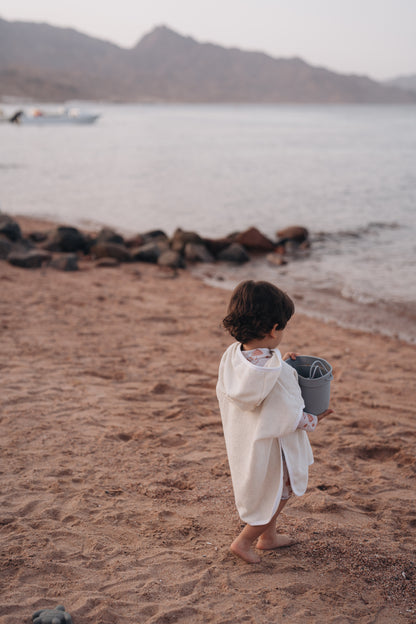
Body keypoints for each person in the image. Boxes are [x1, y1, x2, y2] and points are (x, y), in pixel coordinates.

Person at [216, 280, 333, 563]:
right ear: (272, 330)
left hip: (248, 437)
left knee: (269, 487)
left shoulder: (234, 356)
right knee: (280, 491)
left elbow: (264, 371)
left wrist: (282, 364)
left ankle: (269, 537)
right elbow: (289, 414)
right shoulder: (275, 373)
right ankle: (245, 541)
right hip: (272, 444)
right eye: (283, 327)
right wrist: (314, 418)